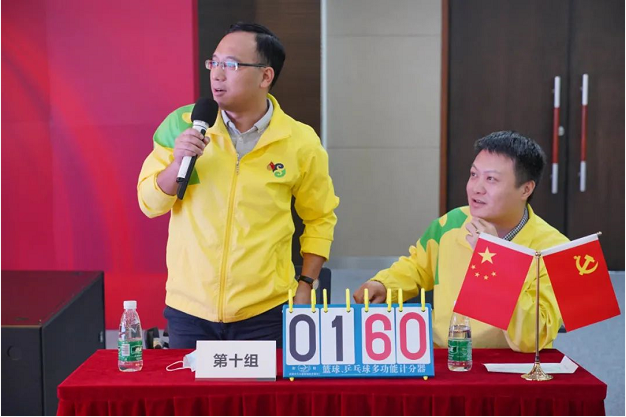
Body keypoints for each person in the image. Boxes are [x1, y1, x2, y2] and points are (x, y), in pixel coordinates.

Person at [138, 22, 339, 348]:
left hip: (266, 312)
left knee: (266, 386)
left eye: (231, 65)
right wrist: (177, 164)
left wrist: (306, 284)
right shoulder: (183, 125)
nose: (217, 74)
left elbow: (320, 217)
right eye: (214, 63)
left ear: (265, 76)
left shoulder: (300, 141)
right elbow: (149, 203)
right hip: (190, 310)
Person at [354, 131, 568, 352]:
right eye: (474, 175)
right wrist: (384, 285)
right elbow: (417, 267)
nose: (476, 188)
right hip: (446, 357)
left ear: (526, 189)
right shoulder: (451, 223)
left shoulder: (557, 249)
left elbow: (534, 336)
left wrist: (495, 258)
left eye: (491, 179)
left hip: (511, 364)